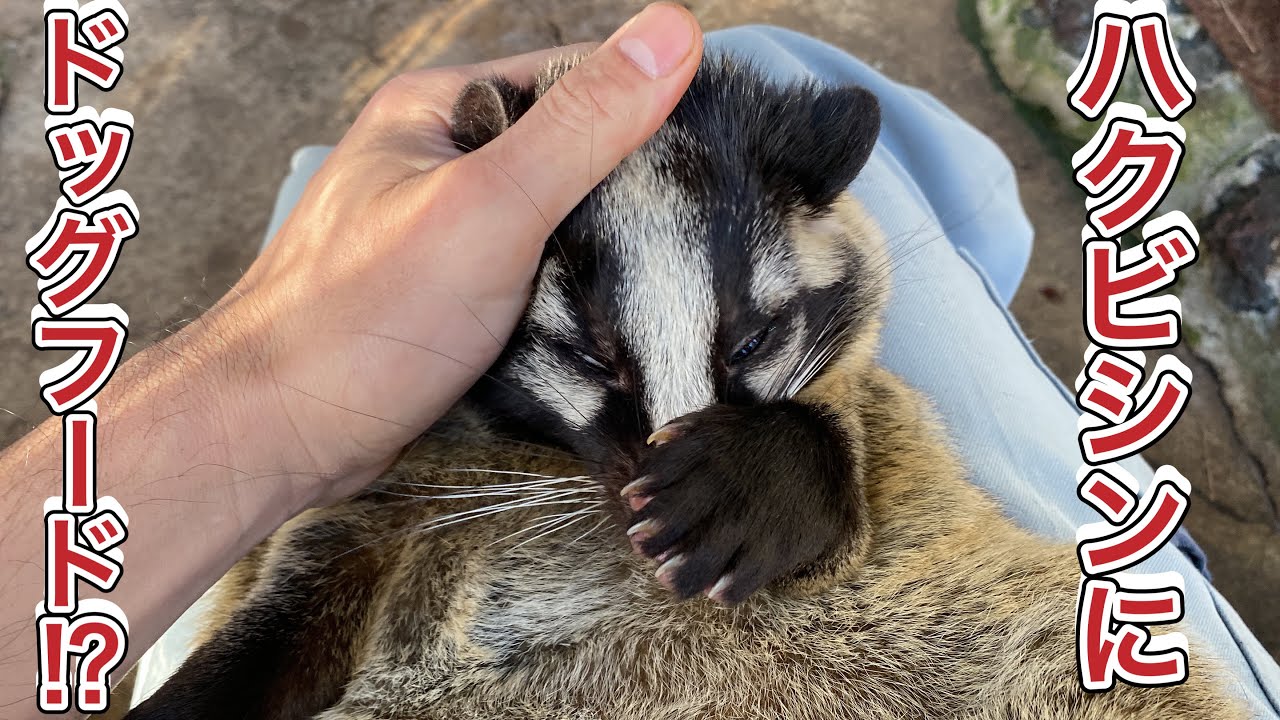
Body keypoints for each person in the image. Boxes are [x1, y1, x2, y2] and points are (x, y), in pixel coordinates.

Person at [2, 3, 1277, 718]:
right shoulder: (428, 435)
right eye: (611, 367)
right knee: (775, 62)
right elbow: (317, 604)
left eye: (735, 360)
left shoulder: (816, 326)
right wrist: (275, 396)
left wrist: (790, 457)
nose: (665, 441)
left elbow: (844, 451)